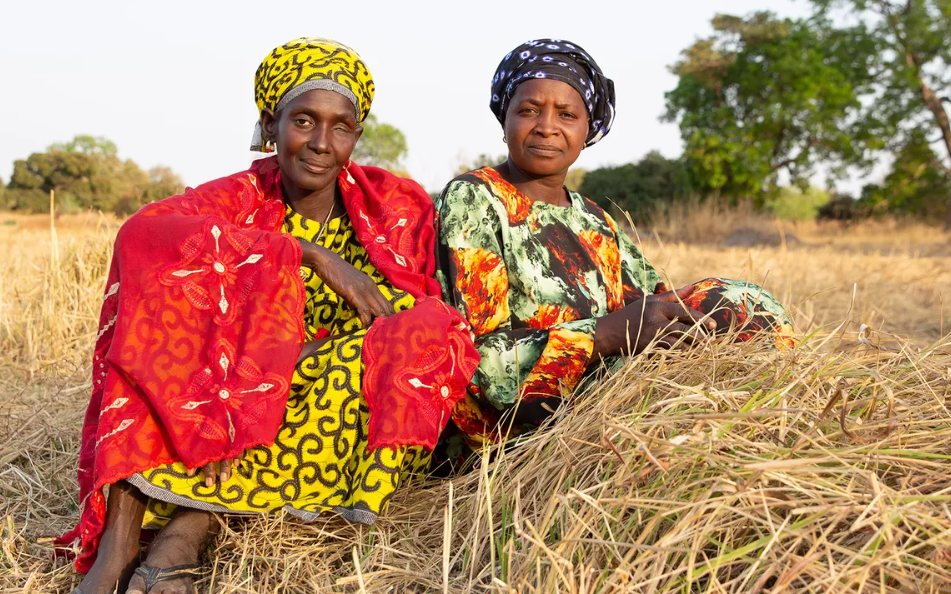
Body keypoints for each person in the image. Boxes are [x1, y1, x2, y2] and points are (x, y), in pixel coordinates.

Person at [60, 38, 479, 594]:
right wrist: (305, 254)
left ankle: (190, 522)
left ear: (357, 134)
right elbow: (141, 235)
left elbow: (409, 317)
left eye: (342, 127)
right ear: (270, 122)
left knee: (431, 334)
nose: (322, 144)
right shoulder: (238, 197)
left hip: (323, 392)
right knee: (156, 312)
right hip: (218, 394)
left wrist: (273, 374)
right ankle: (120, 540)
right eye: (303, 120)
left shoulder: (394, 205)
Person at [434, 39, 794, 458]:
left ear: (588, 131)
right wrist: (604, 335)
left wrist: (687, 321)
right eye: (528, 110)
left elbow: (654, 306)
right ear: (505, 120)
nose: (547, 126)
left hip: (605, 387)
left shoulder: (594, 218)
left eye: (567, 114)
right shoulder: (475, 199)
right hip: (516, 424)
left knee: (742, 306)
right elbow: (477, 364)